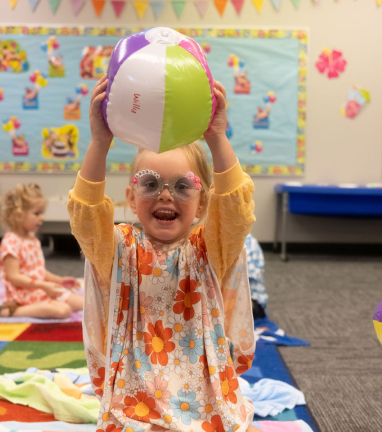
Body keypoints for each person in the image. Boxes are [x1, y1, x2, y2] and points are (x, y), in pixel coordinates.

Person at [68, 75, 258, 432]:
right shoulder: (120, 249)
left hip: (207, 393)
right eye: (151, 183)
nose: (166, 196)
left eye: (183, 186)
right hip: (137, 396)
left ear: (203, 204)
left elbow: (235, 209)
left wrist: (217, 137)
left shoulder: (209, 249)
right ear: (131, 198)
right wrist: (99, 141)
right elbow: (86, 219)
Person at [0, 183, 84, 318]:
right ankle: (10, 311)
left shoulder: (32, 239)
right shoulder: (10, 242)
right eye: (36, 213)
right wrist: (43, 287)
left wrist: (60, 281)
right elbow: (14, 277)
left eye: (42, 213)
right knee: (64, 311)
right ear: (18, 215)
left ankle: (46, 301)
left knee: (83, 303)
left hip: (39, 288)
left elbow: (39, 271)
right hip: (22, 293)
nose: (42, 218)